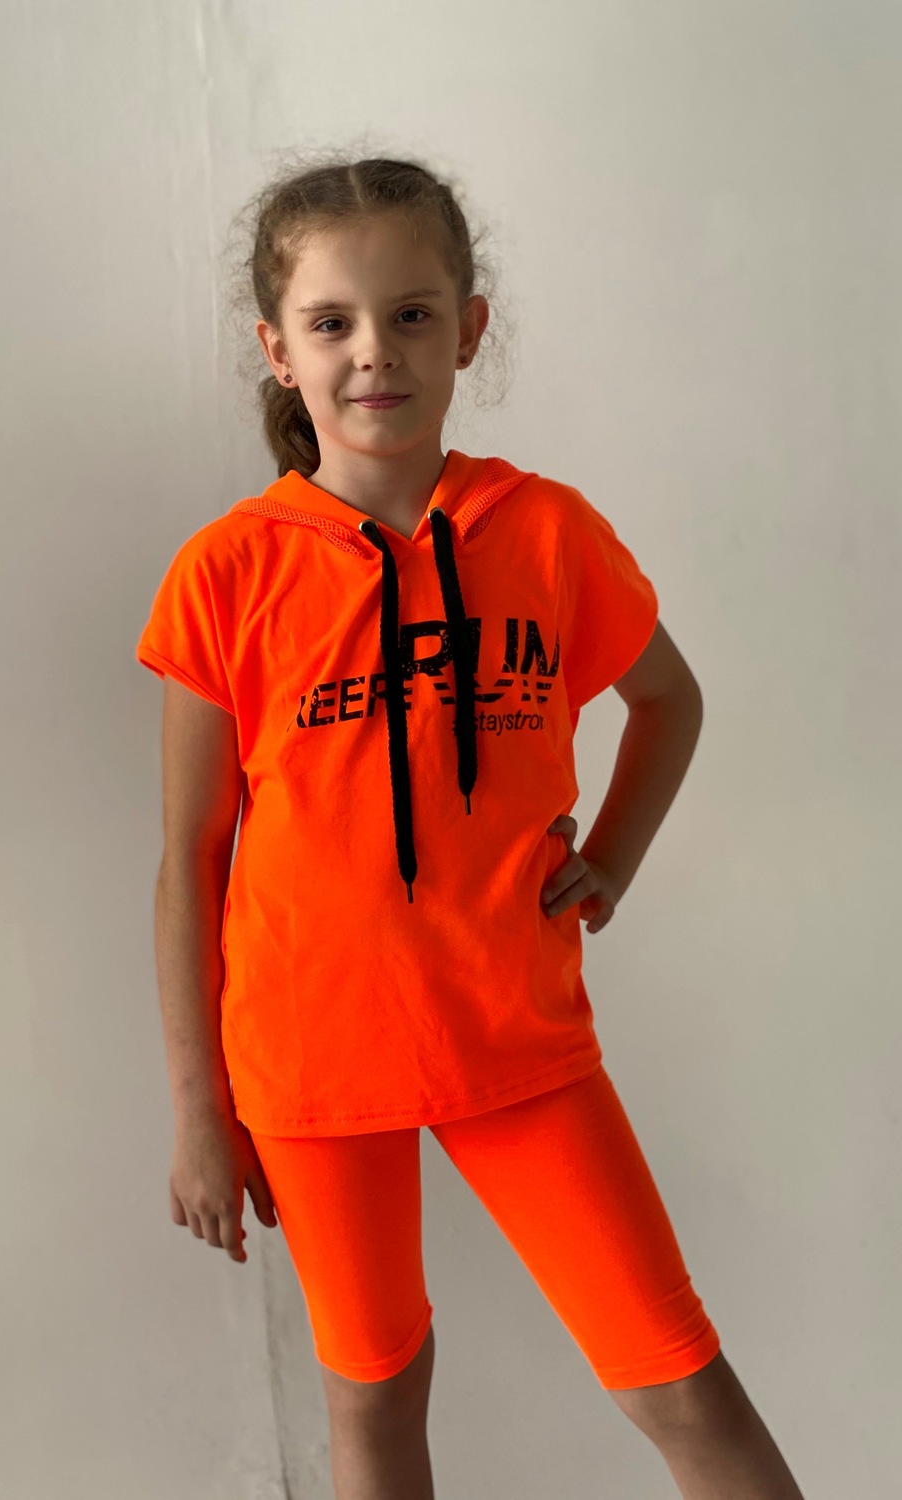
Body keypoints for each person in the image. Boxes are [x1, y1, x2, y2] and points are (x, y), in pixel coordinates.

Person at [135, 153, 805, 1500]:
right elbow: (191, 860)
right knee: (376, 1395)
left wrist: (612, 857)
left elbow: (667, 700)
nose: (373, 352)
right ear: (277, 350)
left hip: (519, 1041)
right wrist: (202, 1112)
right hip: (312, 1070)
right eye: (332, 322)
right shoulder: (227, 573)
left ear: (469, 329)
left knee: (681, 1385)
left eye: (412, 314)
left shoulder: (545, 533)